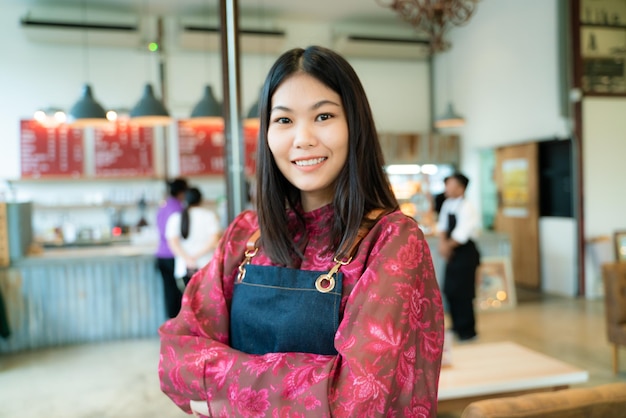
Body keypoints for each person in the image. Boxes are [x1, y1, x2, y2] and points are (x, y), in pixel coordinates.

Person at [159, 45, 444, 417]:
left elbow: (356, 402)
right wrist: (314, 382)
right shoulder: (245, 236)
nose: (303, 138)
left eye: (323, 115)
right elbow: (174, 361)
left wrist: (220, 396)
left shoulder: (390, 242)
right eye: (284, 120)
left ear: (354, 125)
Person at [437, 172, 481, 342]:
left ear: (461, 188)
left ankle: (467, 330)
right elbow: (442, 226)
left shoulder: (467, 207)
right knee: (450, 290)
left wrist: (447, 247)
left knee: (464, 292)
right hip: (451, 251)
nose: (447, 188)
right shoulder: (448, 204)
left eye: (451, 184)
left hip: (465, 253)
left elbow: (462, 233)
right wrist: (443, 244)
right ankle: (456, 325)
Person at [165, 187, 221, 287]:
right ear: (201, 200)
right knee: (205, 300)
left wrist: (188, 259)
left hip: (183, 267)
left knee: (187, 300)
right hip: (206, 266)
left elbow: (173, 243)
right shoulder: (209, 216)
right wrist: (196, 256)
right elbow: (214, 240)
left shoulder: (175, 217)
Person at [156, 177, 188, 318]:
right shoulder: (177, 208)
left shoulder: (164, 205)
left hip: (161, 255)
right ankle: (176, 326)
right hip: (173, 255)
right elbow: (175, 236)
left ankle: (171, 324)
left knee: (169, 292)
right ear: (182, 192)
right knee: (177, 293)